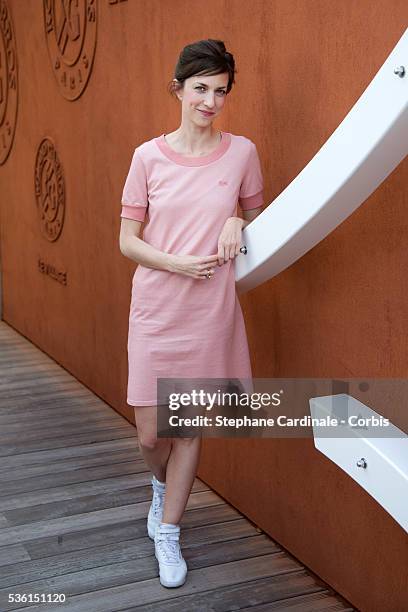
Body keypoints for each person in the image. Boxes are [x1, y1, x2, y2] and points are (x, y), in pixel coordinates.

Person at [119, 39, 264, 588]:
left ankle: (169, 532)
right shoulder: (147, 157)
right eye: (200, 88)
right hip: (156, 308)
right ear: (177, 88)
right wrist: (178, 263)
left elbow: (256, 211)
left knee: (189, 428)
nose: (210, 101)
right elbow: (127, 242)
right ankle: (158, 488)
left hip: (210, 312)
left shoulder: (242, 152)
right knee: (152, 434)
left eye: (220, 91)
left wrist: (237, 222)